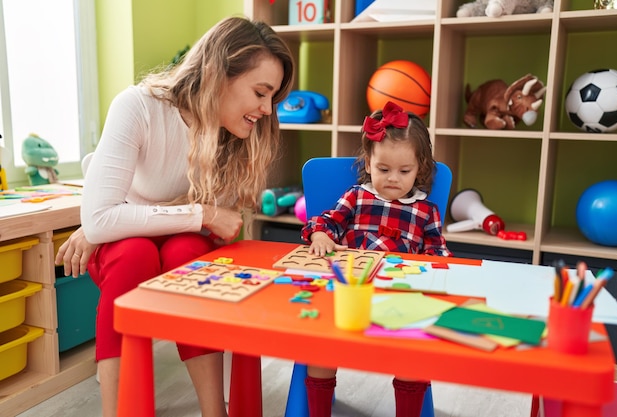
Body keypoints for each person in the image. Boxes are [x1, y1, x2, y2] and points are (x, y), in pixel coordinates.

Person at [55, 16, 294, 417]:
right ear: (220, 73)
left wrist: (110, 217)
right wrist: (199, 212)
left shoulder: (232, 138)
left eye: (272, 98)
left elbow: (218, 225)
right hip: (125, 248)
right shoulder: (138, 107)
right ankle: (120, 411)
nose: (266, 110)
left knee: (185, 249)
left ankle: (213, 411)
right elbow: (105, 221)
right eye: (260, 92)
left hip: (158, 236)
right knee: (135, 254)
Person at [301, 100, 451, 417]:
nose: (393, 178)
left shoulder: (426, 211)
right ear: (369, 163)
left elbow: (440, 255)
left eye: (404, 170)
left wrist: (427, 268)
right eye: (384, 169)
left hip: (401, 301)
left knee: (414, 356)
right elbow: (325, 221)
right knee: (320, 348)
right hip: (350, 297)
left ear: (420, 169)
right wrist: (320, 235)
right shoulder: (357, 196)